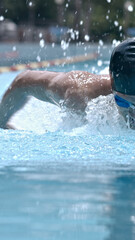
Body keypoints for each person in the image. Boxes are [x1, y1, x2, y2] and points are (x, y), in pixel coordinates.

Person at [0, 38, 135, 130]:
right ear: (112, 85)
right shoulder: (81, 93)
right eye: (124, 103)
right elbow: (23, 80)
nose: (133, 113)